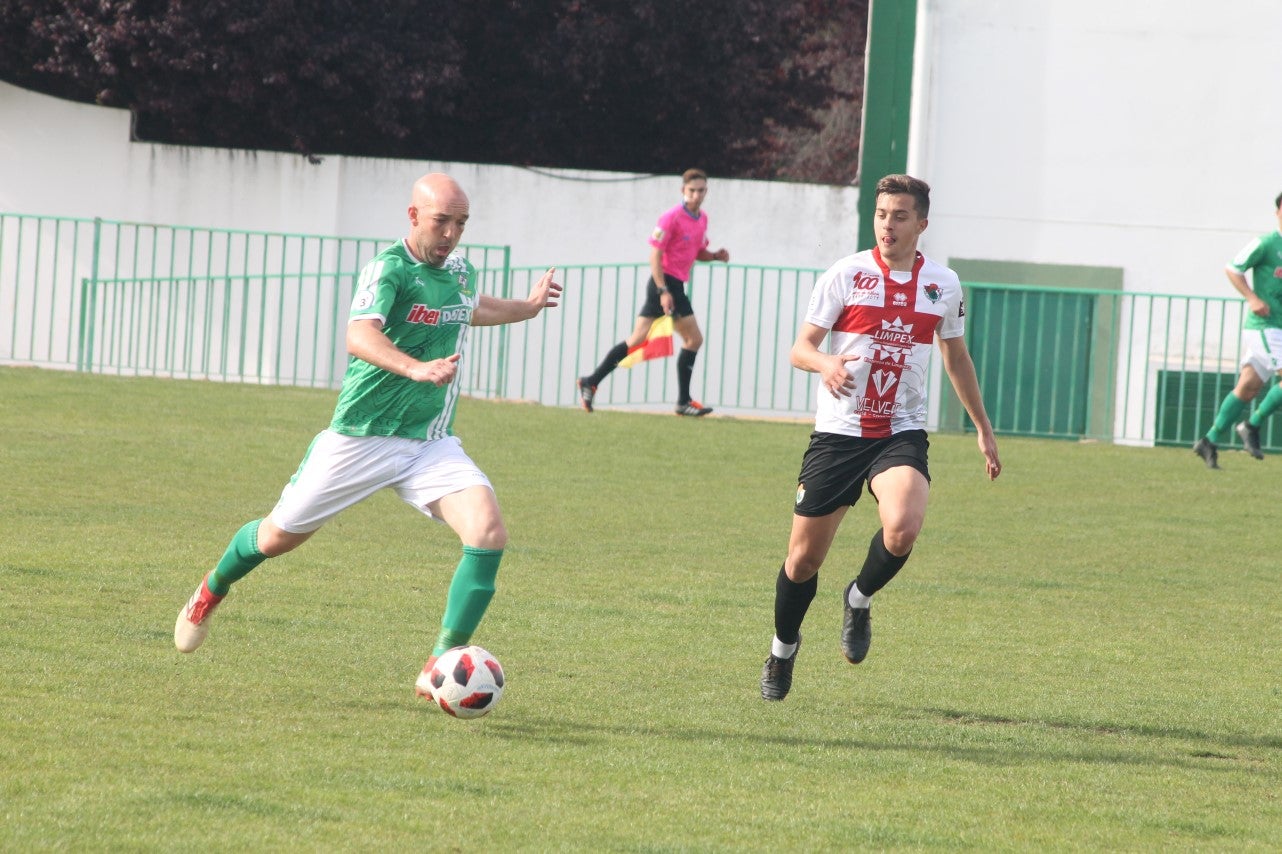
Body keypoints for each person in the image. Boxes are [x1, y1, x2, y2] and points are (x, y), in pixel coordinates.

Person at [174, 173, 562, 699]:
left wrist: (528, 308)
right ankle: (210, 590)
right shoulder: (389, 268)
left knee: (488, 532)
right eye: (441, 221)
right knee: (276, 538)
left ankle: (438, 664)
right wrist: (415, 368)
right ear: (413, 216)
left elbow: (472, 308)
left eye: (461, 223)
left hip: (428, 442)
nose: (451, 234)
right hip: (360, 438)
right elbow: (359, 334)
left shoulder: (461, 271)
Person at [759, 174, 1001, 702]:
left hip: (900, 430)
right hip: (839, 435)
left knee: (903, 527)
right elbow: (801, 348)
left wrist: (983, 428)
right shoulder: (846, 274)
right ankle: (782, 650)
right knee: (802, 562)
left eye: (899, 216)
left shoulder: (943, 284)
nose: (887, 225)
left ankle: (859, 597)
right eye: (881, 214)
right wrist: (825, 363)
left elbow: (956, 357)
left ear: (922, 224)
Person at [577, 168, 730, 416]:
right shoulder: (671, 217)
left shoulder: (702, 219)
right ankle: (683, 402)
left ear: (706, 191)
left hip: (673, 285)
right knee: (694, 339)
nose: (696, 195)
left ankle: (591, 381)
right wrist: (663, 291)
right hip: (665, 284)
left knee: (637, 340)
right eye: (692, 190)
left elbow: (696, 251)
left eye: (701, 190)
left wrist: (714, 256)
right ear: (683, 190)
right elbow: (655, 256)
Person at [1193, 191, 1282, 469]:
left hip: (1279, 328)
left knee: (1248, 387)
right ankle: (1251, 425)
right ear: (1278, 211)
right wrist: (1252, 298)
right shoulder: (1266, 243)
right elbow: (1233, 268)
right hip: (1264, 327)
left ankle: (1209, 440)